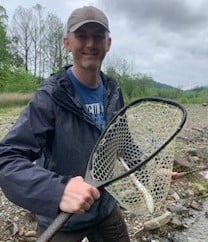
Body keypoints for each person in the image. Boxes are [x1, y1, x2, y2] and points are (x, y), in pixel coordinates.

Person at [0, 6, 131, 242]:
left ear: (108, 43)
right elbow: (7, 159)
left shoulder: (113, 90)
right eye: (82, 36)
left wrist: (150, 171)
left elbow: (123, 140)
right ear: (67, 43)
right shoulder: (50, 96)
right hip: (63, 218)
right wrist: (58, 191)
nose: (90, 43)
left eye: (98, 36)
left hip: (106, 207)